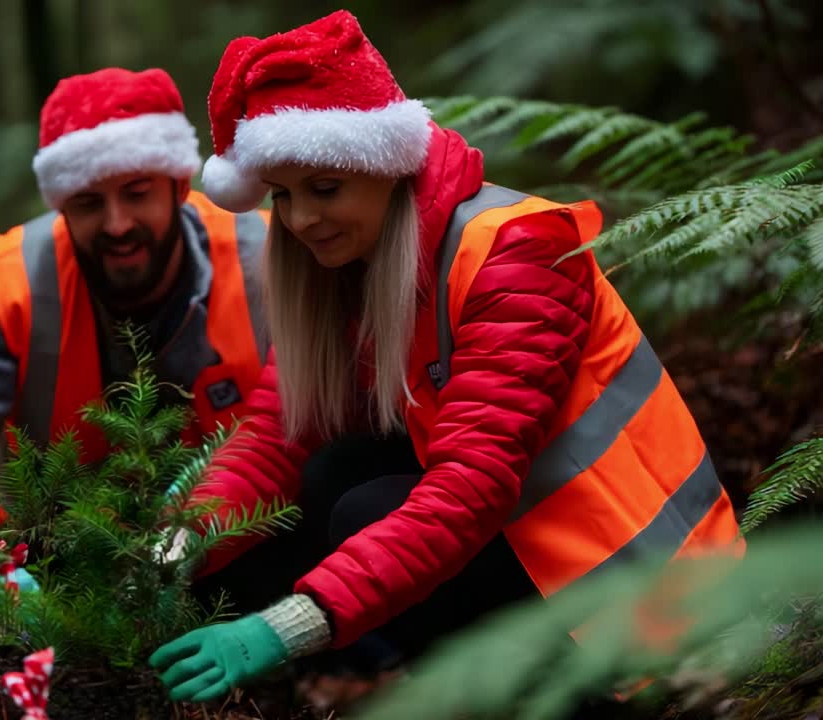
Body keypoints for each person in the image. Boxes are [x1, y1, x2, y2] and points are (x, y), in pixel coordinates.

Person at [149, 10, 745, 703]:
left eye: (325, 188)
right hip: (536, 549)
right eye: (283, 196)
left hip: (644, 589)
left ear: (384, 165)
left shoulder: (516, 251)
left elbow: (470, 488)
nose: (302, 219)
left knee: (364, 509)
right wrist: (164, 553)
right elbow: (274, 436)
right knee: (331, 471)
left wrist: (288, 627)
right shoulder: (351, 266)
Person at [0, 67, 271, 555]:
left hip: (246, 540)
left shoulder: (268, 259)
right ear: (61, 207)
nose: (117, 224)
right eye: (88, 202)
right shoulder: (7, 283)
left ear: (178, 186)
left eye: (137, 193)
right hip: (45, 557)